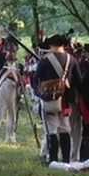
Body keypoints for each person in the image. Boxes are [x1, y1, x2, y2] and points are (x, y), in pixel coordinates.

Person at [34, 33, 77, 163]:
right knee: (65, 128)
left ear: (52, 45)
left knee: (51, 130)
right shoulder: (71, 60)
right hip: (64, 100)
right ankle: (65, 160)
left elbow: (36, 79)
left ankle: (52, 160)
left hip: (49, 99)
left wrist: (39, 93)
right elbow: (78, 80)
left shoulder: (45, 61)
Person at [0, 44, 21, 144]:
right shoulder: (2, 62)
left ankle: (10, 137)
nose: (11, 53)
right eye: (9, 51)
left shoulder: (18, 66)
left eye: (13, 51)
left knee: (13, 115)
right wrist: (0, 35)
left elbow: (20, 79)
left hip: (14, 90)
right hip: (3, 87)